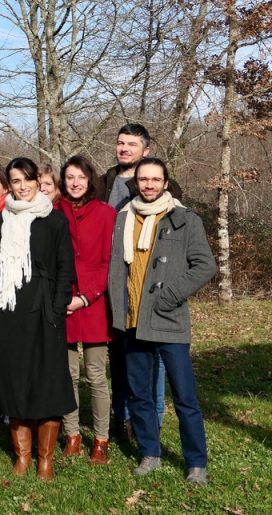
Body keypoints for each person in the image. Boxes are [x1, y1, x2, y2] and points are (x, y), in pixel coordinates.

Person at [108, 157, 214, 485]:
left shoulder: (184, 219)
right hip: (132, 319)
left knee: (184, 395)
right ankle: (150, 452)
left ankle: (196, 462)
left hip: (169, 319)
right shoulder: (123, 219)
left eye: (156, 179)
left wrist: (169, 296)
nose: (150, 185)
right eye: (144, 180)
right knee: (139, 393)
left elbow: (204, 266)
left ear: (165, 183)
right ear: (136, 183)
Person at [0, 157, 76, 481]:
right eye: (16, 181)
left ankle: (45, 460)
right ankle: (22, 456)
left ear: (39, 181)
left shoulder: (55, 221)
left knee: (47, 385)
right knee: (15, 385)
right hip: (8, 313)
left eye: (27, 180)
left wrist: (57, 307)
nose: (22, 186)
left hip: (44, 312)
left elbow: (66, 269)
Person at [100, 123, 178, 440]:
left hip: (150, 284)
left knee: (154, 356)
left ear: (145, 150)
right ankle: (123, 417)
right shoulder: (102, 182)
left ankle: (153, 420)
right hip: (114, 283)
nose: (124, 148)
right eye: (121, 142)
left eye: (132, 144)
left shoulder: (157, 186)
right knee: (119, 355)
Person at [56, 155, 116, 464]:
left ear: (89, 179)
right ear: (62, 181)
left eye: (80, 177)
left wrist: (87, 296)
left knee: (95, 375)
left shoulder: (106, 214)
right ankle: (72, 434)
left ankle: (101, 439)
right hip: (62, 302)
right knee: (67, 374)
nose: (75, 183)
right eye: (69, 178)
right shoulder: (54, 213)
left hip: (93, 303)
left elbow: (109, 263)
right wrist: (62, 297)